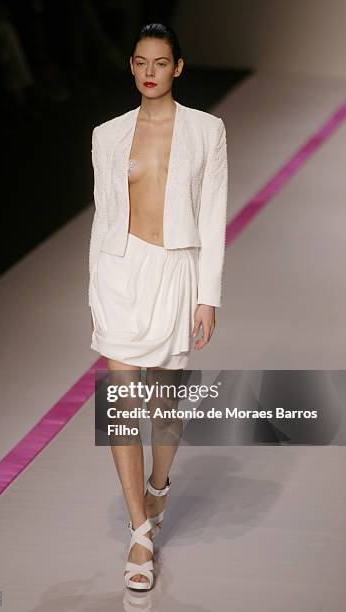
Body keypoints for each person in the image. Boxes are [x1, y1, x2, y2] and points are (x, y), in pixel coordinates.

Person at [88, 23, 228, 590]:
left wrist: (208, 294)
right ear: (131, 67)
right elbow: (103, 217)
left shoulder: (206, 130)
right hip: (120, 272)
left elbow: (213, 213)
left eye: (161, 62)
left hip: (175, 270)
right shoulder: (106, 135)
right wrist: (95, 286)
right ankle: (140, 533)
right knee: (121, 399)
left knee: (167, 400)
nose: (151, 72)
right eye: (142, 63)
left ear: (178, 68)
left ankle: (159, 484)